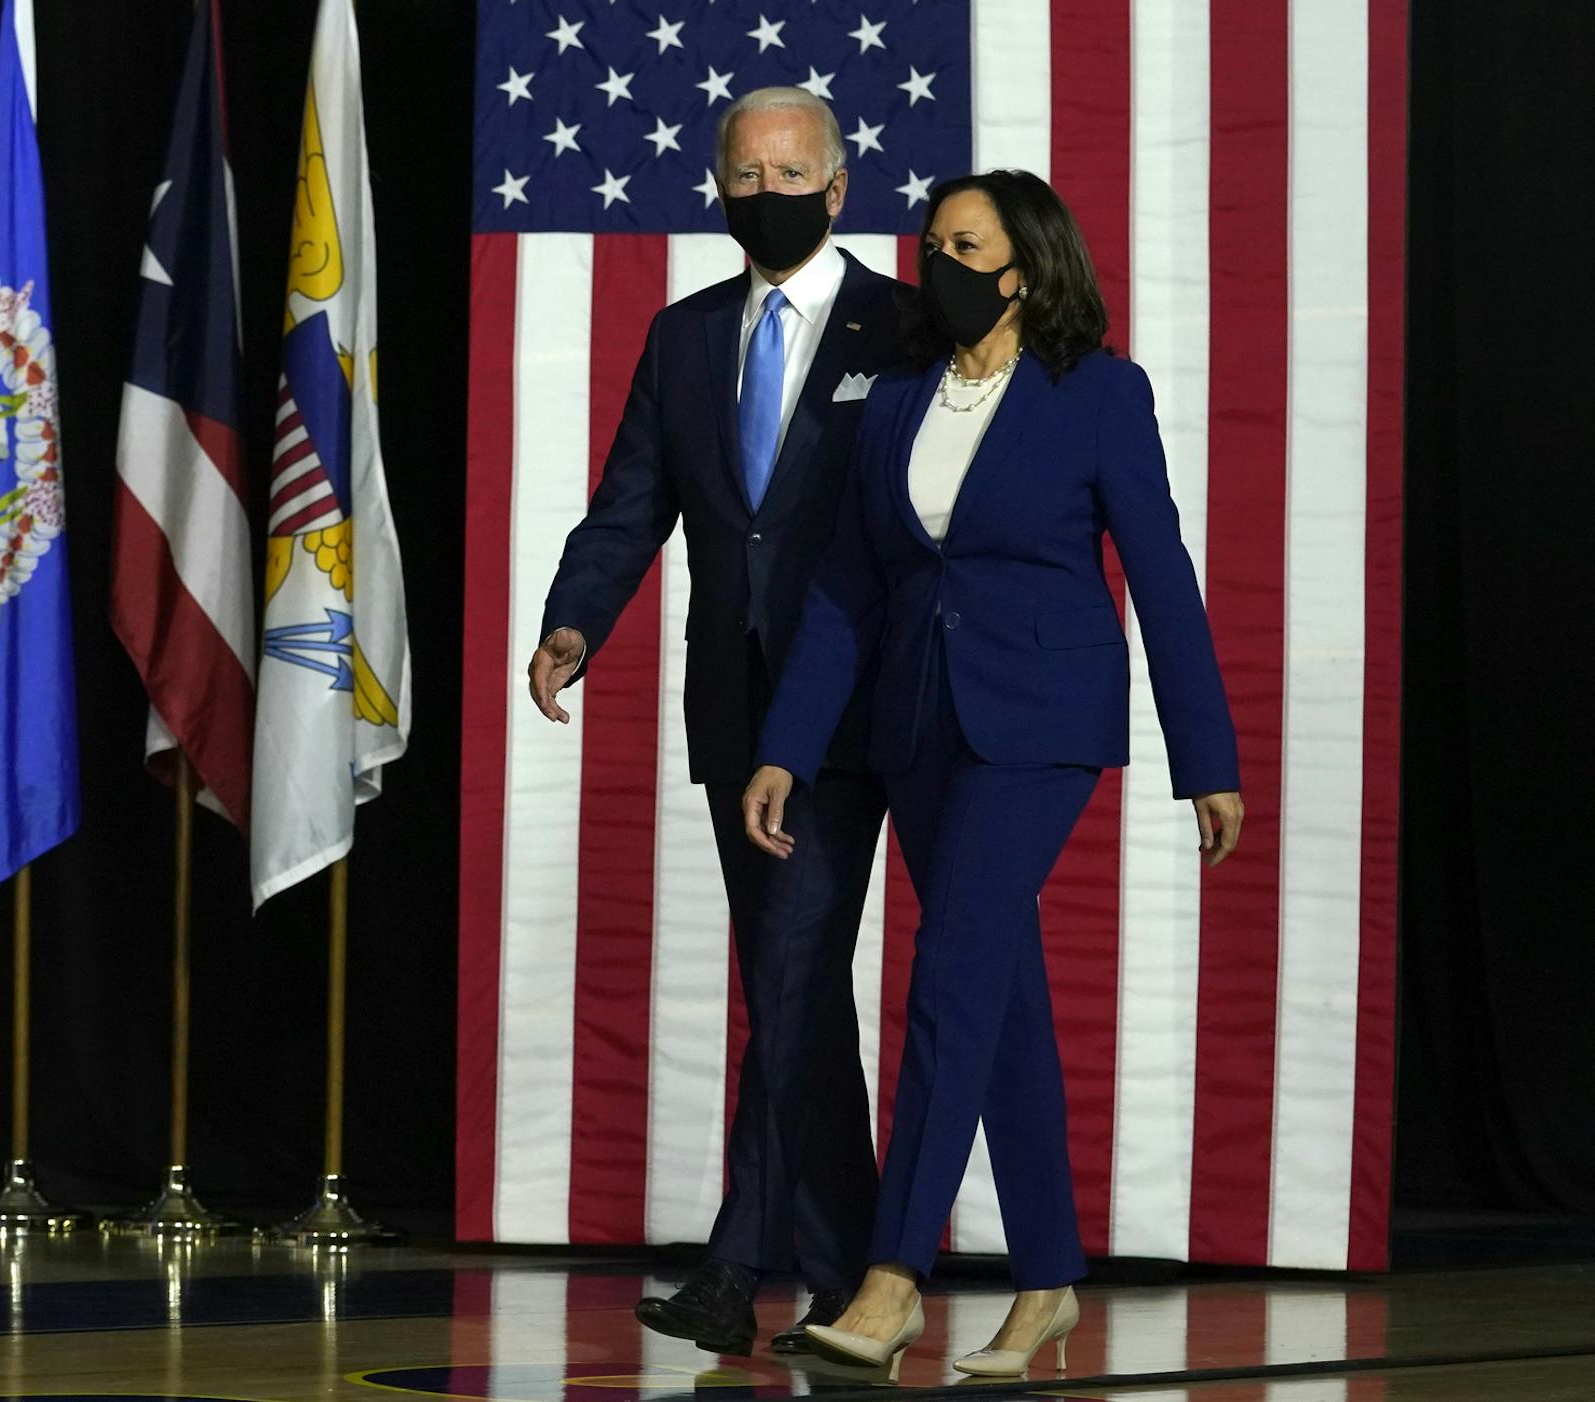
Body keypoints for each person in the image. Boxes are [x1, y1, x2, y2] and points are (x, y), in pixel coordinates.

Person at [740, 169, 1244, 1380]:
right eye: (931, 244)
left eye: (967, 246)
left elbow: (1163, 575)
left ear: (1026, 269)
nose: (940, 264)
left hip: (1042, 722)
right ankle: (1049, 1283)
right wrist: (785, 746)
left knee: (949, 977)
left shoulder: (1099, 394)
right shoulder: (901, 394)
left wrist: (1206, 757)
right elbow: (851, 589)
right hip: (920, 725)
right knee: (999, 997)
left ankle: (895, 1273)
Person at [526, 88, 909, 1356]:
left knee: (794, 974)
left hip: (851, 712)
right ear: (718, 187)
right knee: (791, 988)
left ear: (840, 186)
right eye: (746, 173)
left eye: (792, 171)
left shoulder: (898, 327)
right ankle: (853, 1272)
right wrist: (576, 622)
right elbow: (631, 502)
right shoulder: (685, 335)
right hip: (731, 711)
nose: (768, 191)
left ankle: (736, 1266)